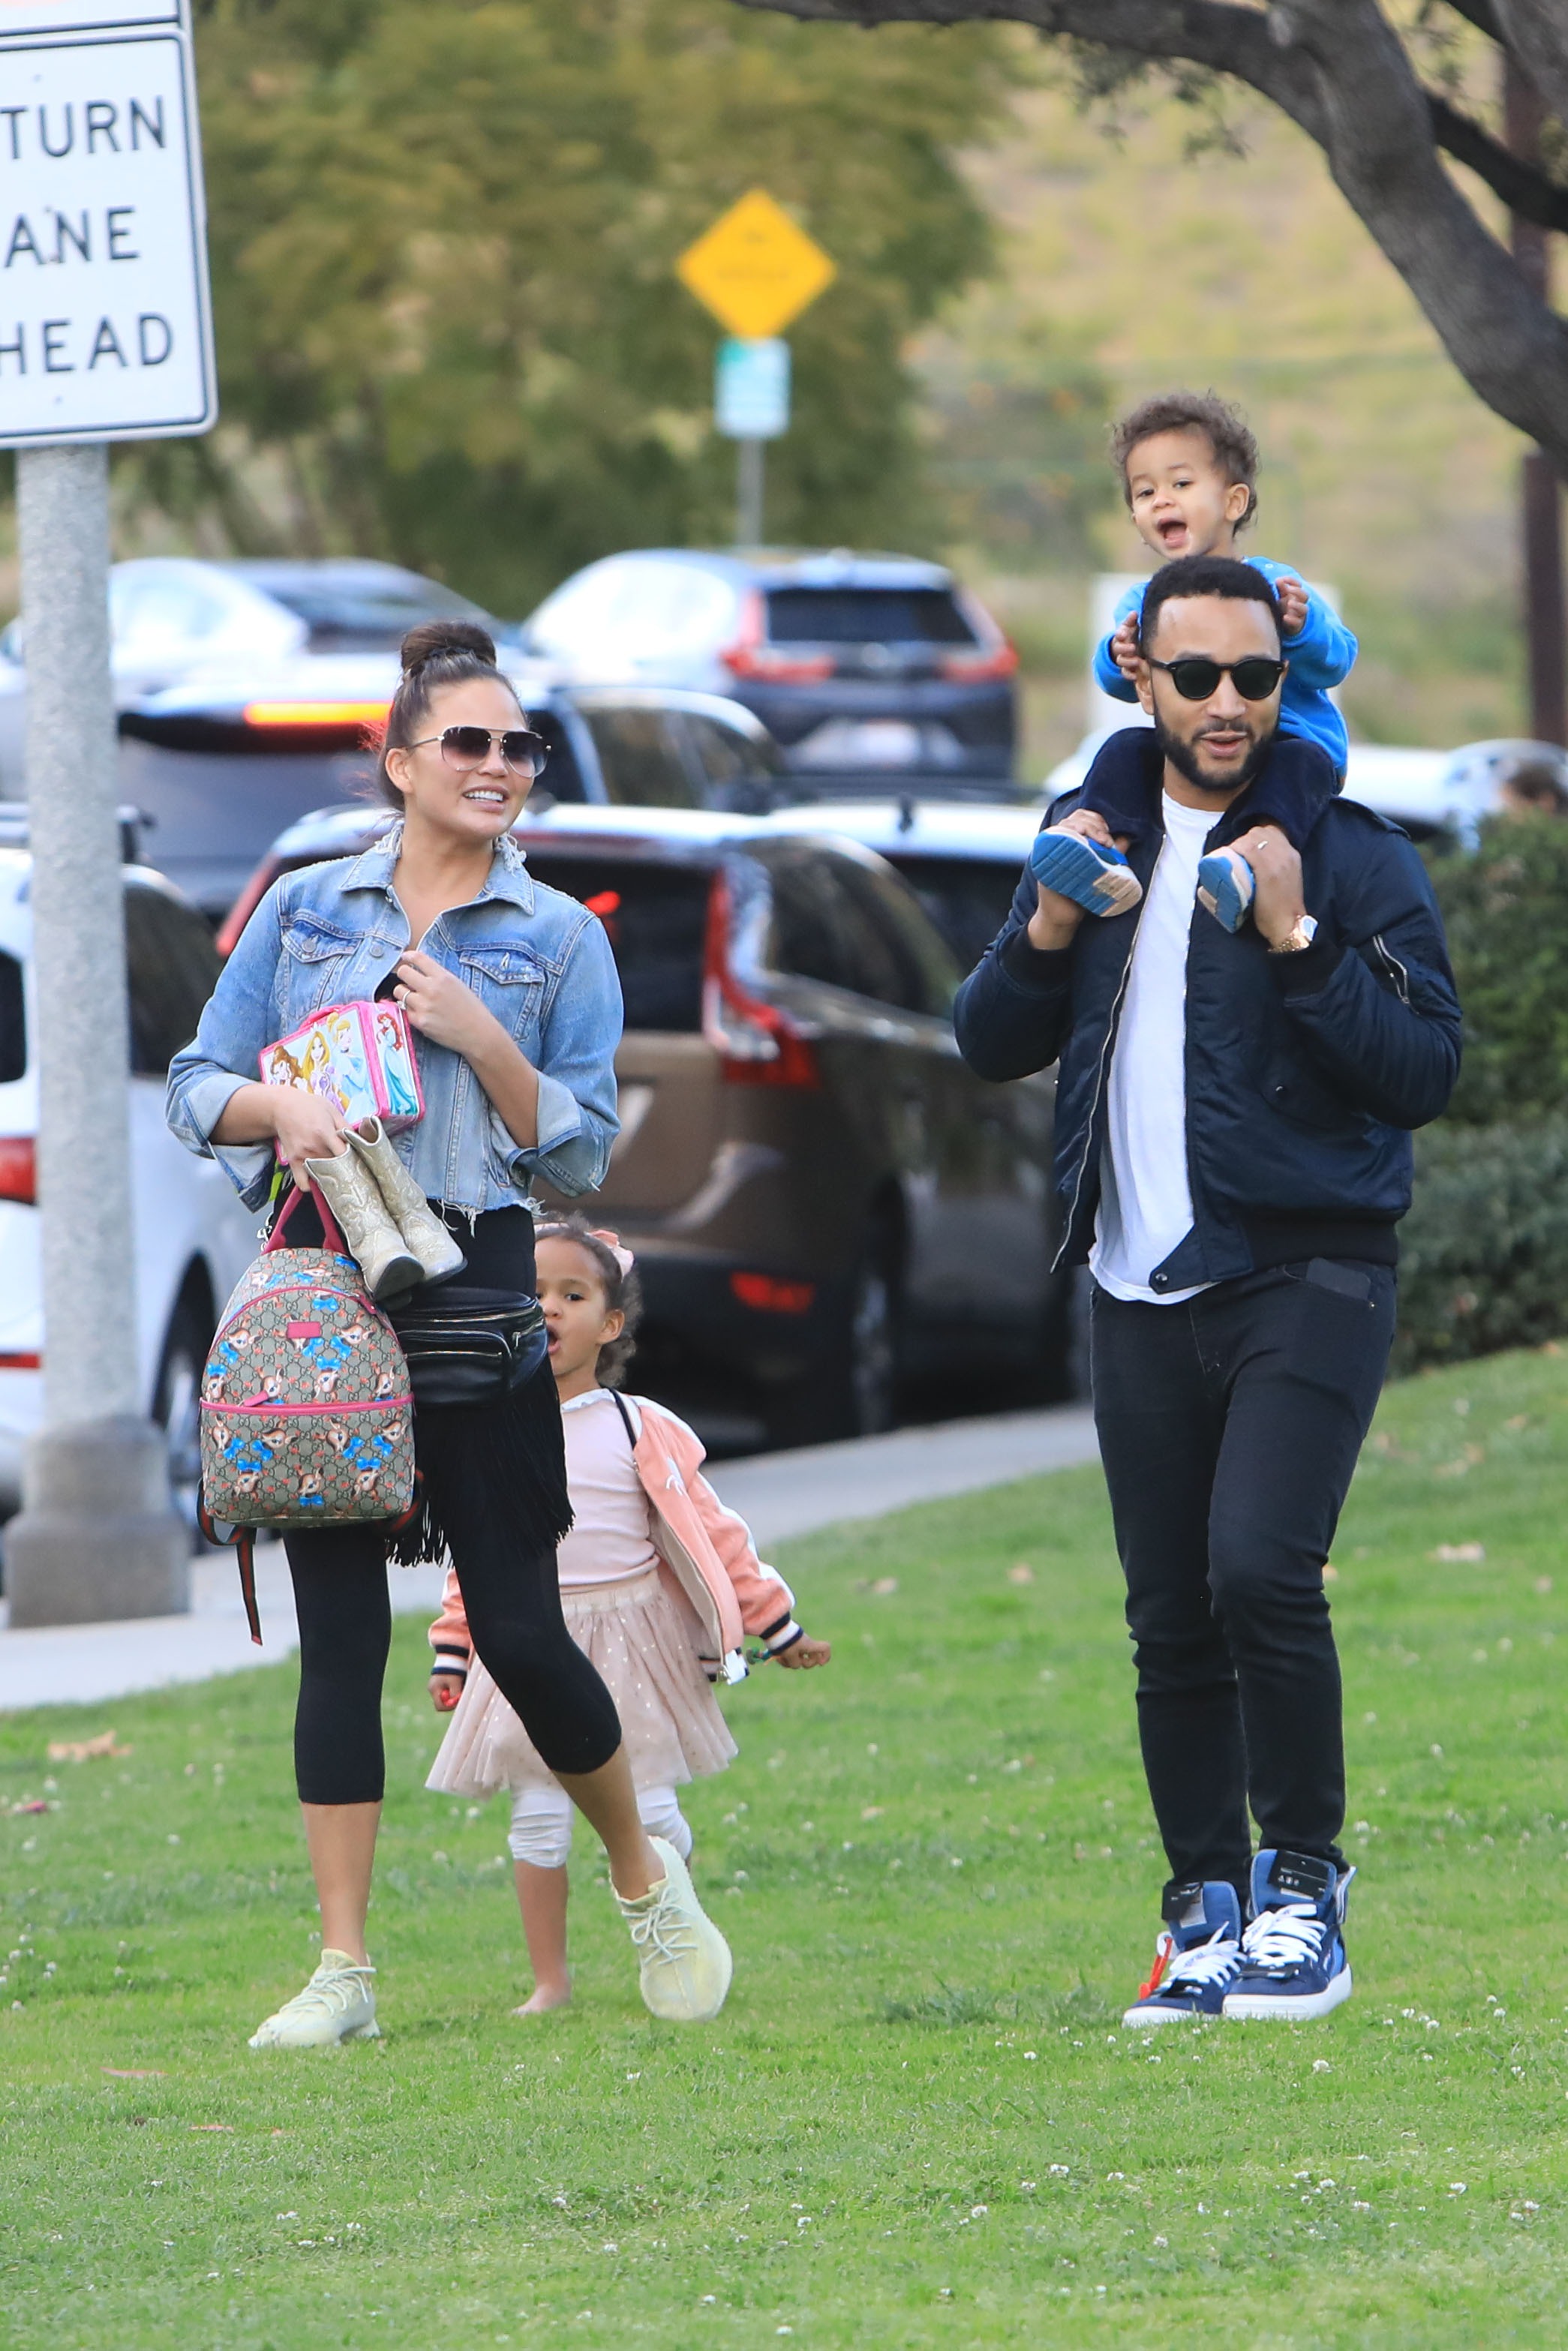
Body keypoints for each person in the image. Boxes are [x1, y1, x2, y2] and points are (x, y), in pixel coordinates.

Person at [167, 620, 731, 2046]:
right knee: (339, 1640)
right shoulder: (303, 907)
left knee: (525, 1636)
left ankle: (638, 1869)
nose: (497, 765)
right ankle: (344, 1970)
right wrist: (278, 1109)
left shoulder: (559, 935)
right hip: (324, 1284)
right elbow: (194, 1077)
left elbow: (585, 1160)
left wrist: (487, 1037)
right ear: (401, 760)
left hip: (479, 1286)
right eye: (468, 741)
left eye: (516, 745)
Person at [955, 556, 1461, 2025]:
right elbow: (983, 1035)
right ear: (1143, 679)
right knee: (1169, 1611)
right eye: (1199, 677)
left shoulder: (1351, 851)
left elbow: (1423, 1070)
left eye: (1258, 677)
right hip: (1132, 1283)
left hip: (1306, 1269)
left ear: (1285, 686)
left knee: (1259, 1569)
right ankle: (1202, 1910)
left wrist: (1299, 942)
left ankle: (1304, 1886)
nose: (1229, 702)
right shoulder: (1091, 837)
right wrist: (1049, 929)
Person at [426, 1219, 830, 2015]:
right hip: (528, 1642)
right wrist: (454, 1647)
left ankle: (676, 1930)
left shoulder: (637, 1425)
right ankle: (550, 1981)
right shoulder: (492, 1429)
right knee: (537, 1821)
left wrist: (774, 1623)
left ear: (610, 1323)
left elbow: (713, 1534)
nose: (549, 1308)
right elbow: (473, 1553)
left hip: (632, 1647)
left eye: (571, 1295)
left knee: (649, 1809)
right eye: (533, 1293)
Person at [1040, 392, 1358, 933]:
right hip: (1192, 746)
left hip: (1291, 743)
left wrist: (1301, 629)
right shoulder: (1143, 604)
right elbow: (1116, 682)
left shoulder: (1274, 585)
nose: (1162, 500)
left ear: (1234, 502)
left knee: (1298, 767)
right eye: (1145, 492)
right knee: (1122, 748)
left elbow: (1336, 662)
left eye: (1181, 484)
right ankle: (1102, 852)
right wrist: (1117, 658)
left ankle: (1252, 860)